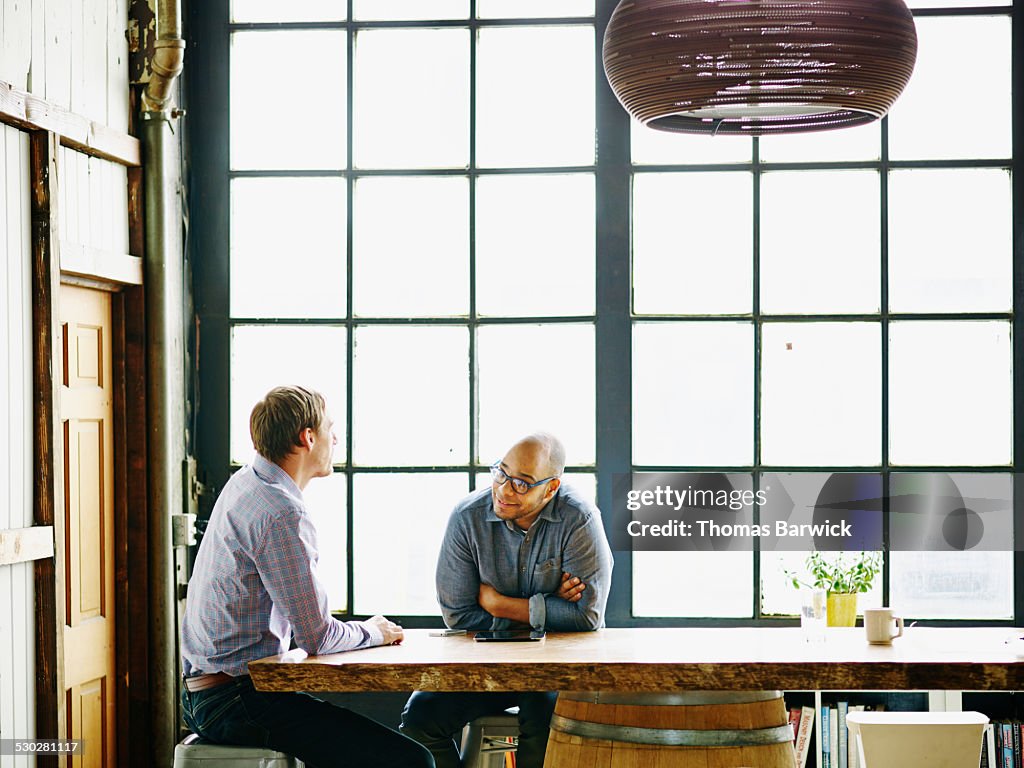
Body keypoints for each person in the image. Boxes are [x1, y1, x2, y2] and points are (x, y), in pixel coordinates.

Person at [180, 385, 434, 768]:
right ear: (308, 437)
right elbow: (316, 636)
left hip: (204, 694)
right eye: (330, 428)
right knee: (413, 762)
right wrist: (376, 631)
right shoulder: (281, 511)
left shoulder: (246, 482)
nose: (336, 438)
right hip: (238, 702)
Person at [400, 433, 614, 768]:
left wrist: (499, 605)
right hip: (483, 665)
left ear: (552, 487)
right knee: (420, 718)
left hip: (553, 670)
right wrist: (546, 606)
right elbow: (458, 615)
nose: (503, 490)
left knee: (548, 720)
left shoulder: (579, 519)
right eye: (501, 473)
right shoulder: (467, 517)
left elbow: (586, 617)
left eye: (522, 483)